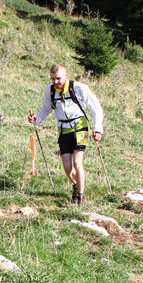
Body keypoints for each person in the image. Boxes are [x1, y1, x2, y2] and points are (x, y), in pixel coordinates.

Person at [28, 64, 103, 204]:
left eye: (58, 78)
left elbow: (96, 108)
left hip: (79, 127)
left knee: (77, 163)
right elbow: (46, 108)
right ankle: (77, 185)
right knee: (67, 167)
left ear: (66, 76)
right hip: (63, 129)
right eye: (52, 79)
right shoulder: (50, 91)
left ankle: (81, 196)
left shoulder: (79, 88)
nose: (55, 82)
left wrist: (98, 129)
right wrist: (36, 119)